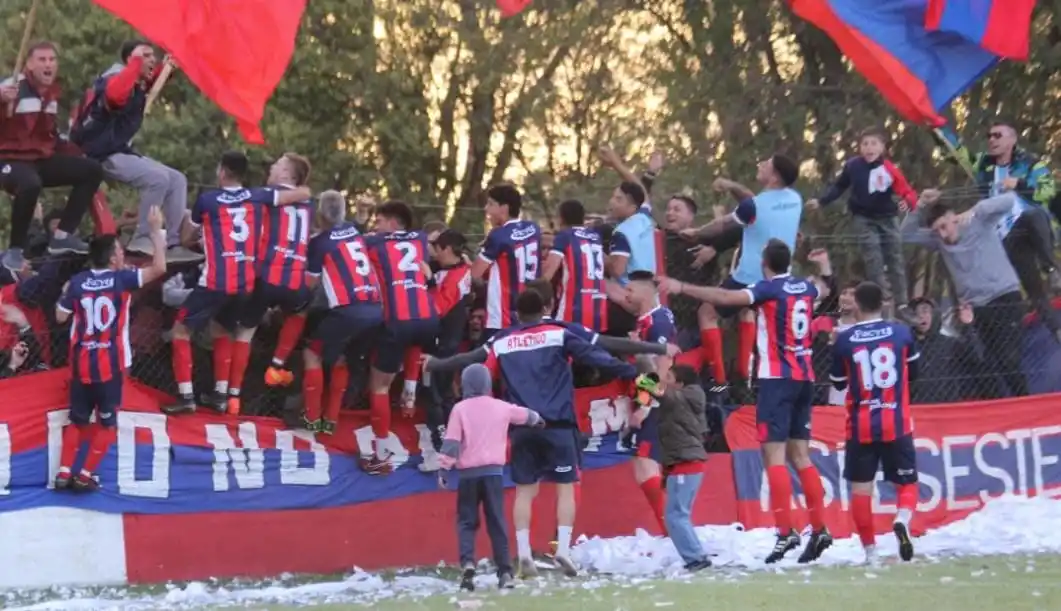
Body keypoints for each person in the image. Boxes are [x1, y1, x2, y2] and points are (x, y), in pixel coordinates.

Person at [426, 289, 640, 579]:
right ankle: (562, 548)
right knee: (566, 487)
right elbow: (598, 358)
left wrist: (441, 371)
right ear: (545, 309)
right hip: (559, 425)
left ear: (516, 313)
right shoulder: (558, 334)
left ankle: (525, 553)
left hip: (523, 427)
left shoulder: (502, 341)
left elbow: (482, 376)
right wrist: (634, 371)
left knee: (525, 491)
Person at [658, 239, 830, 564]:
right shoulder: (805, 288)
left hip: (777, 380)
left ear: (765, 263)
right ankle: (819, 527)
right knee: (800, 455)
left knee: (773, 455)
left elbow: (725, 298)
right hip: (805, 377)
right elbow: (824, 288)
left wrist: (681, 286)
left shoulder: (767, 289)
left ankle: (786, 531)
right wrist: (825, 267)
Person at [165, 151, 311, 414]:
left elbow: (187, 238)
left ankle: (186, 397)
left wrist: (191, 228)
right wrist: (305, 189)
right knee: (222, 330)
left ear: (222, 171)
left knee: (180, 331)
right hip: (245, 284)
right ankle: (222, 395)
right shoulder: (257, 196)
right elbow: (300, 194)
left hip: (215, 281)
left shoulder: (208, 199)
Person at [53, 206, 167, 491]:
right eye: (120, 250)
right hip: (110, 366)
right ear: (113, 257)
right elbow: (160, 268)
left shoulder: (78, 282)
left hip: (81, 364)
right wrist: (156, 232)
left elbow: (60, 317)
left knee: (77, 420)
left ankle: (64, 473)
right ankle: (85, 475)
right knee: (107, 422)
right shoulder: (121, 279)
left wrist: (65, 293)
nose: (123, 254)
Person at [71, 41, 200, 263]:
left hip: (117, 149)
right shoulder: (115, 79)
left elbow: (151, 81)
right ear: (130, 60)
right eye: (145, 55)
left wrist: (168, 65)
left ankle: (173, 243)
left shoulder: (135, 82)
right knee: (157, 179)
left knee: (177, 179)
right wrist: (136, 62)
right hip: (99, 153)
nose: (151, 59)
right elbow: (115, 95)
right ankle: (142, 239)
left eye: (152, 55)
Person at [680, 155, 803, 389]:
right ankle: (744, 373)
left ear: (774, 176)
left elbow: (722, 224)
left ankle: (719, 379)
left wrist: (696, 232)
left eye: (766, 164)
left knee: (707, 312)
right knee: (748, 313)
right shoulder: (795, 199)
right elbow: (752, 202)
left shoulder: (754, 206)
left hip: (749, 277)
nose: (760, 165)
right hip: (780, 277)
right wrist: (730, 185)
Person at [901, 192, 1029, 397]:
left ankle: (1025, 401)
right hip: (975, 308)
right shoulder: (938, 240)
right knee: (984, 362)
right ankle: (997, 405)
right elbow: (906, 234)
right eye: (937, 230)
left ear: (954, 217)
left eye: (944, 226)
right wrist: (921, 204)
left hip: (1004, 298)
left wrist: (976, 209)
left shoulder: (979, 221)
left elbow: (1009, 200)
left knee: (1008, 359)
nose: (942, 234)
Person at [829, 281, 921, 565]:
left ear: (856, 304)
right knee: (907, 483)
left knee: (861, 490)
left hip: (861, 425)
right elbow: (914, 373)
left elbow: (838, 383)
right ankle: (902, 518)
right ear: (883, 303)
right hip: (896, 421)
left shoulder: (845, 339)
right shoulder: (901, 333)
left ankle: (870, 553)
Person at [438, 363, 543, 592]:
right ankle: (505, 572)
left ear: (465, 384)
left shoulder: (459, 409)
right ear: (487, 383)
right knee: (497, 522)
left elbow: (452, 442)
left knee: (467, 522)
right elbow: (525, 415)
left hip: (468, 476)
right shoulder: (501, 407)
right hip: (494, 474)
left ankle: (468, 563)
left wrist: (444, 469)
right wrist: (537, 420)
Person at [0, 41, 104, 272]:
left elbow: (51, 138)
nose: (48, 64)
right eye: (42, 59)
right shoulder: (10, 86)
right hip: (7, 160)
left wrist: (78, 153)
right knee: (30, 183)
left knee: (92, 169)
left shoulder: (50, 95)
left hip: (37, 160)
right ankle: (15, 250)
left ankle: (62, 236)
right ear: (29, 64)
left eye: (52, 59)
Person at [229, 153, 315, 414]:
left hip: (266, 274)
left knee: (245, 332)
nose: (271, 168)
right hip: (294, 279)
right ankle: (276, 365)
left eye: (277, 165)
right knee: (300, 310)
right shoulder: (308, 203)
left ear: (287, 173)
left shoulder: (266, 195)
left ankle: (232, 395)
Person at [806, 127, 918, 315]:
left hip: (887, 218)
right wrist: (821, 201)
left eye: (874, 143)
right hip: (863, 218)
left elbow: (907, 191)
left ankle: (902, 303)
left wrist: (908, 201)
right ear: (859, 148)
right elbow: (839, 187)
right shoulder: (853, 166)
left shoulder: (889, 169)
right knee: (873, 256)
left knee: (895, 258)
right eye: (865, 144)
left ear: (882, 147)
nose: (869, 148)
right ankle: (882, 297)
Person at [362, 200, 438, 470]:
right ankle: (410, 393)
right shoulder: (420, 239)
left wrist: (364, 230)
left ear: (393, 223)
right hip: (429, 319)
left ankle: (382, 454)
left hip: (398, 320)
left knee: (379, 386)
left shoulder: (374, 243)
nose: (375, 226)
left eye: (379, 221)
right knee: (422, 359)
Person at [302, 193, 383, 438]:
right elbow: (358, 227)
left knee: (312, 353)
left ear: (320, 214)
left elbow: (310, 283)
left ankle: (311, 419)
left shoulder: (319, 243)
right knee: (341, 358)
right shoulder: (353, 231)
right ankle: (331, 420)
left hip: (348, 310)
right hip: (376, 309)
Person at [639, 363, 712, 572]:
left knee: (675, 516)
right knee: (679, 515)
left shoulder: (683, 397)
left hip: (685, 464)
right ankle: (697, 555)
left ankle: (695, 558)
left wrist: (641, 373)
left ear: (680, 383)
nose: (664, 380)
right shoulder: (686, 399)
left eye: (669, 377)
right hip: (684, 463)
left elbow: (661, 392)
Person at [624, 270, 677, 535]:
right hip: (647, 398)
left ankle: (672, 531)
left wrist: (645, 404)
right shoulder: (648, 319)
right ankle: (671, 529)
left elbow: (662, 367)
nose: (626, 295)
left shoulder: (658, 322)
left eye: (630, 290)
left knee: (645, 465)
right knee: (644, 465)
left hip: (654, 403)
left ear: (645, 292)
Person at [422, 229, 473, 464]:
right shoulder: (449, 269)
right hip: (440, 341)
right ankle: (451, 445)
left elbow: (438, 308)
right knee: (440, 393)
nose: (433, 252)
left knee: (436, 393)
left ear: (447, 249)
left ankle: (442, 449)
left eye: (436, 247)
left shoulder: (459, 275)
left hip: (444, 345)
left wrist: (429, 281)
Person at [470, 184, 541, 336]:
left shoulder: (498, 235)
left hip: (502, 317)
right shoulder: (533, 228)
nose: (486, 209)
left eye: (491, 204)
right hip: (530, 313)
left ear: (504, 208)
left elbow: (474, 273)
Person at [540, 199, 607, 331]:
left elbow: (546, 275)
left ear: (561, 218)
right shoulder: (595, 237)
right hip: (598, 310)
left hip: (572, 310)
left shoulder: (564, 236)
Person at [605, 181, 655, 336]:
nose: (612, 202)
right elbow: (644, 194)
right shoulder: (645, 219)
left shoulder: (622, 232)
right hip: (649, 298)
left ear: (632, 207)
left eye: (619, 199)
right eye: (613, 197)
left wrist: (597, 254)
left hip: (627, 300)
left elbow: (617, 270)